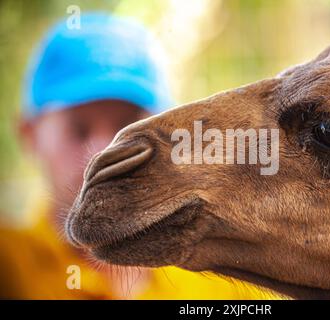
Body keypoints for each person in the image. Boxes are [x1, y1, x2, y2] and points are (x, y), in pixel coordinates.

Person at [0, 13, 275, 299]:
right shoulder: (10, 266)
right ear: (29, 134)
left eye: (130, 129)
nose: (103, 152)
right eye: (78, 130)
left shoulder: (226, 284)